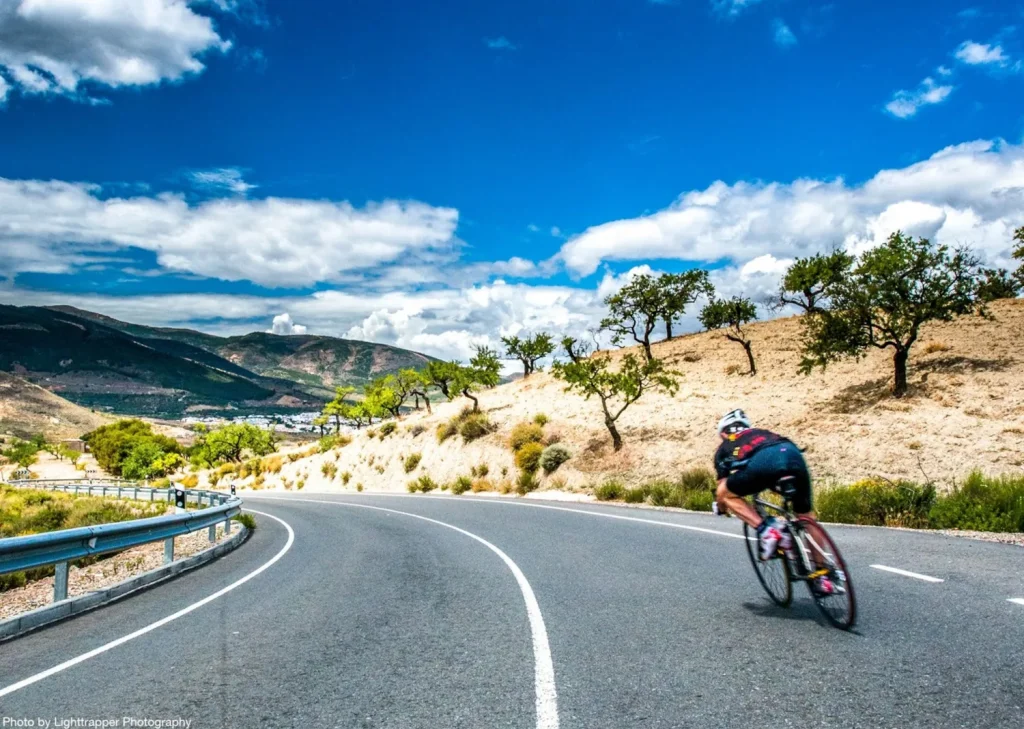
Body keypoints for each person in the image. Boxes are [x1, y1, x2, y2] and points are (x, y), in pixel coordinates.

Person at [712, 409, 835, 595]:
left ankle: (768, 531)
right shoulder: (763, 432)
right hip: (792, 454)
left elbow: (722, 491)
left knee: (726, 493)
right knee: (806, 516)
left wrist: (721, 507)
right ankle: (822, 575)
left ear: (723, 433)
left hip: (763, 461)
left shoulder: (725, 446)